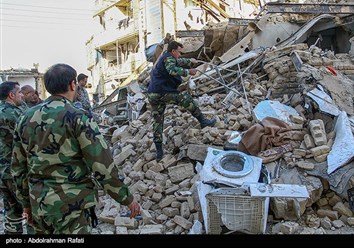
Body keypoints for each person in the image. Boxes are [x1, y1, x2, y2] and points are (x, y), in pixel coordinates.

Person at [11, 63, 141, 234]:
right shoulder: (78, 117)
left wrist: (26, 204)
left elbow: (18, 168)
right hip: (71, 209)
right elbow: (102, 165)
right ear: (73, 84)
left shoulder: (25, 118)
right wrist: (126, 198)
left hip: (39, 206)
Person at [147, 41, 216, 161]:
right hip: (163, 92)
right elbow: (172, 70)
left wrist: (190, 61)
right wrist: (188, 71)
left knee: (158, 121)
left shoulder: (166, 58)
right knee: (186, 98)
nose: (180, 54)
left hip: (153, 94)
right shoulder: (169, 59)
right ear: (173, 51)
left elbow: (179, 62)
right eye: (179, 52)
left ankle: (159, 151)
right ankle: (203, 121)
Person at [0, 81, 27, 234]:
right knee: (28, 207)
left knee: (11, 207)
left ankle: (12, 235)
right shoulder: (15, 114)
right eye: (19, 93)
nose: (22, 95)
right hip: (14, 170)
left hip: (2, 171)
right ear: (11, 95)